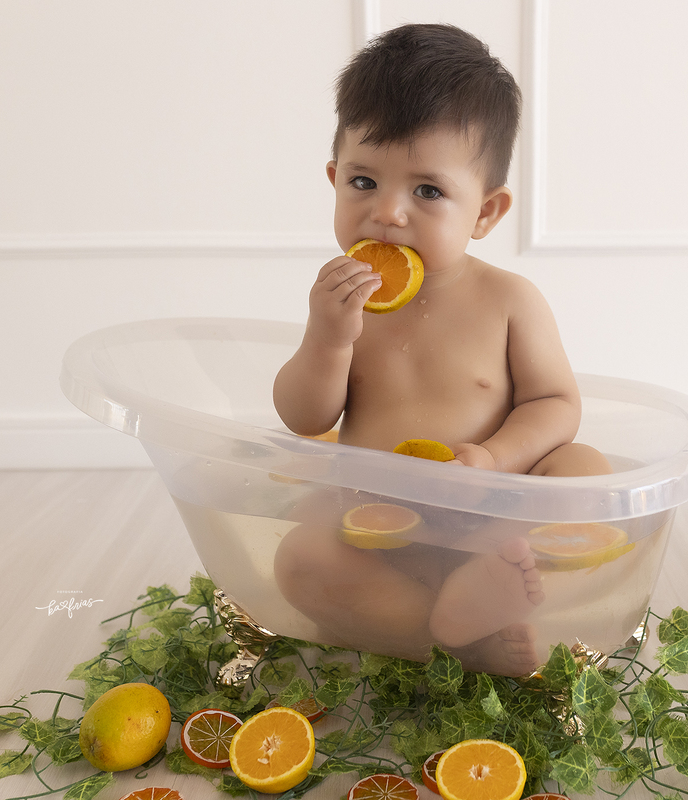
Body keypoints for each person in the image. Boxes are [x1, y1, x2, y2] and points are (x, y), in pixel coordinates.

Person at [272, 23, 609, 676]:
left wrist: (495, 458)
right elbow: (304, 416)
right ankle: (441, 631)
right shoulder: (344, 303)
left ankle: (480, 589)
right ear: (334, 177)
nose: (389, 212)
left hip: (494, 523)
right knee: (300, 559)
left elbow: (556, 403)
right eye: (364, 182)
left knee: (585, 470)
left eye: (427, 191)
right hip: (377, 532)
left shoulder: (510, 300)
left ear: (485, 212)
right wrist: (327, 337)